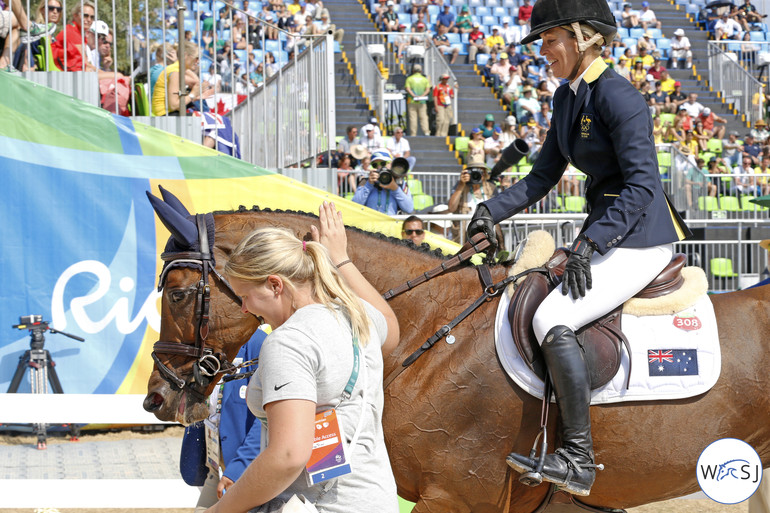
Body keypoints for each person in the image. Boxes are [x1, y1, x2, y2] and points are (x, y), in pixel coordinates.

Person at [466, 0, 691, 496]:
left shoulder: (620, 96)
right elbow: (543, 175)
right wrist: (490, 209)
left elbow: (641, 187)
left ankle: (579, 458)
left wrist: (589, 244)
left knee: (551, 319)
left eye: (550, 41)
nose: (543, 52)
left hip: (639, 238)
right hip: (606, 232)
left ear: (582, 37)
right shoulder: (566, 99)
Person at [209, 201, 399, 513]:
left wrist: (220, 511)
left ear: (274, 284)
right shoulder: (357, 314)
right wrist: (341, 259)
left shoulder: (288, 341)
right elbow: (390, 327)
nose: (244, 309)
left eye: (245, 296)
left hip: (319, 505)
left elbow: (288, 456)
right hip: (375, 499)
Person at [181, 328, 266, 512]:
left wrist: (238, 468)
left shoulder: (259, 344)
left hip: (245, 468)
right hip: (215, 463)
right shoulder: (203, 343)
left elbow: (267, 419)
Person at [152, 41, 213, 116]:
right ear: (185, 55)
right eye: (196, 58)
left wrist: (195, 97)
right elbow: (174, 105)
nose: (198, 61)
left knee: (210, 119)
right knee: (211, 120)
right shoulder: (175, 72)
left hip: (167, 114)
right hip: (165, 116)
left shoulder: (176, 69)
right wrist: (192, 94)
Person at [352, 149, 414, 215]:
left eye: (383, 163)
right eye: (375, 165)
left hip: (391, 224)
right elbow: (355, 205)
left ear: (391, 164)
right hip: (370, 224)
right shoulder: (365, 181)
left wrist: (395, 188)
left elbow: (409, 208)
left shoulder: (400, 182)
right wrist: (369, 185)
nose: (379, 167)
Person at [51, 0, 94, 71]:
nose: (89, 19)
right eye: (85, 15)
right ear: (75, 15)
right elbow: (85, 65)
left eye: (92, 17)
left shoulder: (80, 33)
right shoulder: (72, 32)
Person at [405, 63, 431, 136]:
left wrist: (414, 96)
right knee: (424, 117)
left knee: (413, 118)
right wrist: (421, 96)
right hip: (422, 101)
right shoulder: (424, 79)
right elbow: (428, 90)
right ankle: (426, 132)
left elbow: (407, 88)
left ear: (413, 70)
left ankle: (413, 134)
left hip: (411, 100)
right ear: (421, 70)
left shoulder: (409, 79)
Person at [433, 72, 455, 137]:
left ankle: (444, 134)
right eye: (445, 79)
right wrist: (436, 106)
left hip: (447, 104)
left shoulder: (449, 87)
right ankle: (438, 133)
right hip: (440, 104)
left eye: (447, 79)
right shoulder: (437, 87)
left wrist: (452, 95)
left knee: (447, 120)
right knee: (440, 119)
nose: (446, 80)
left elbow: (452, 95)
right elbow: (435, 97)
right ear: (442, 79)